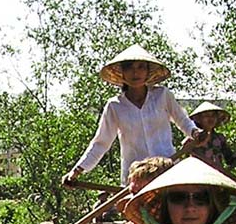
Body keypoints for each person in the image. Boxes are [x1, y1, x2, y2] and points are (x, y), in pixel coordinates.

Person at [62, 44, 202, 187]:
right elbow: (101, 143)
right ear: (122, 73)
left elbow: (182, 120)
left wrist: (195, 133)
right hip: (136, 178)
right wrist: (77, 170)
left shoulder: (162, 95)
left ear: (147, 72)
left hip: (166, 169)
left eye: (141, 67)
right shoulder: (114, 106)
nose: (136, 73)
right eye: (130, 68)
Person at [182, 101, 236, 177]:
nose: (210, 119)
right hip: (197, 176)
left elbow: (229, 158)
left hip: (217, 176)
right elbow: (183, 159)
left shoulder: (220, 139)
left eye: (213, 116)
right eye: (206, 116)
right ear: (199, 119)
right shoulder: (192, 139)